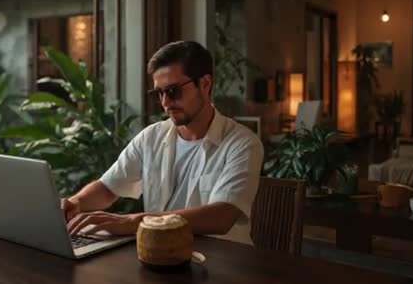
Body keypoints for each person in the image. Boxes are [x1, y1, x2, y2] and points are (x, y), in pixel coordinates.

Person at [62, 40, 263, 243]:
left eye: (173, 91)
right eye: (159, 93)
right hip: (158, 256)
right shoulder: (151, 138)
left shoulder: (243, 144)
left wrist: (133, 221)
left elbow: (222, 217)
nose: (165, 103)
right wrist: (75, 202)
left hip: (221, 263)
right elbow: (107, 188)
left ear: (205, 83)